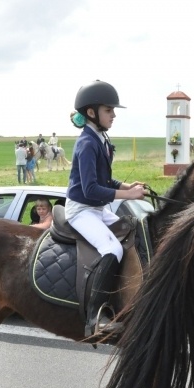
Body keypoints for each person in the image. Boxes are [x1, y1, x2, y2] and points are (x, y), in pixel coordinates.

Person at [65, 80, 146, 336]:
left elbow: (104, 180)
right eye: (109, 110)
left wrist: (125, 184)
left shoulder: (99, 138)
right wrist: (128, 194)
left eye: (113, 111)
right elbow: (90, 190)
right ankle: (94, 317)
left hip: (97, 209)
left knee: (132, 229)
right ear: (92, 113)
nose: (113, 115)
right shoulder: (87, 144)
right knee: (111, 247)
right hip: (81, 210)